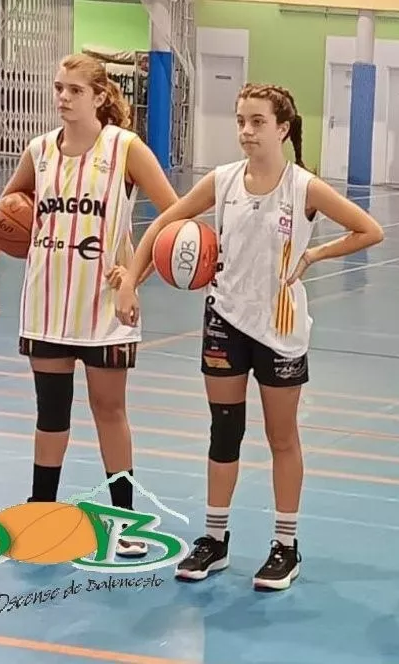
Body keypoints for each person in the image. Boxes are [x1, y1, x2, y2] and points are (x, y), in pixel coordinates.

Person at [114, 83, 383, 591]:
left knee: (281, 437)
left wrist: (314, 256)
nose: (246, 130)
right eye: (241, 120)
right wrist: (130, 281)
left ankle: (286, 545)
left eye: (257, 121)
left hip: (280, 327)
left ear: (282, 128)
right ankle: (214, 539)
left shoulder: (304, 187)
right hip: (225, 320)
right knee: (224, 430)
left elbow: (369, 230)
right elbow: (162, 226)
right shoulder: (222, 181)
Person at [0, 53, 178, 557]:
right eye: (59, 88)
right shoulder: (40, 151)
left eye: (74, 90)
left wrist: (135, 277)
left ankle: (125, 519)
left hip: (106, 308)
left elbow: (175, 219)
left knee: (110, 411)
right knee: (51, 415)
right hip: (47, 303)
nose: (63, 97)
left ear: (100, 96)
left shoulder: (125, 148)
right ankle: (40, 510)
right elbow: (6, 213)